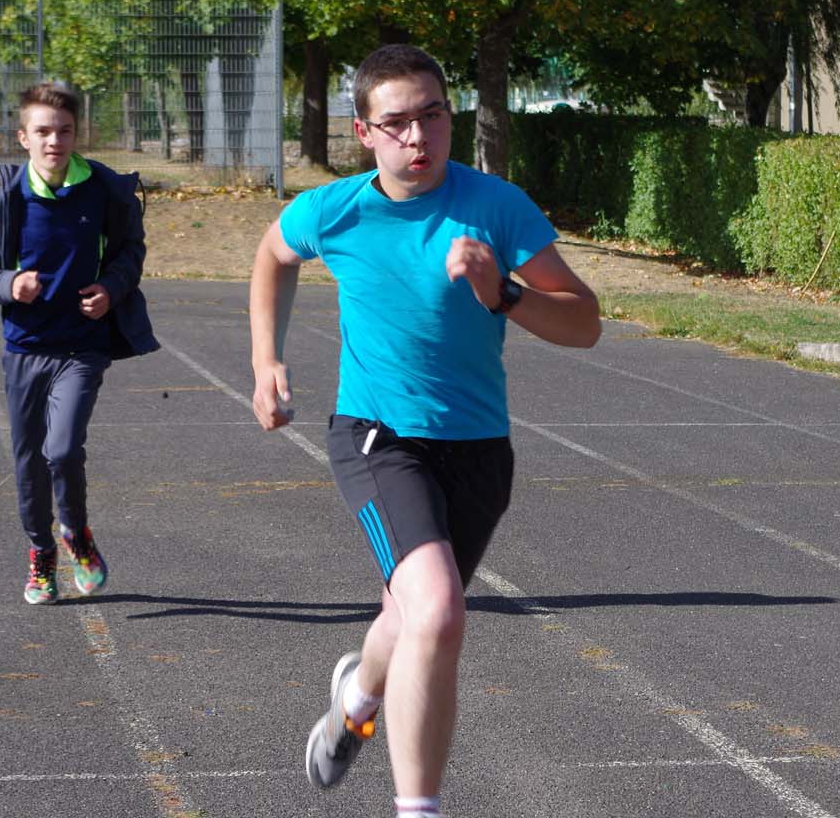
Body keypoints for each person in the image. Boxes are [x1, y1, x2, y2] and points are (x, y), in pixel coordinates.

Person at [248, 44, 601, 818]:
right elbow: (272, 256)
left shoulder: (498, 207)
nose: (418, 137)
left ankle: (355, 699)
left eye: (432, 116)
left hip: (477, 447)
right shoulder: (332, 210)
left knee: (406, 618)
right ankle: (419, 810)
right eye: (397, 123)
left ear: (451, 118)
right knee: (437, 609)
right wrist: (265, 360)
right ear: (363, 132)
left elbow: (584, 325)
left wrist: (502, 291)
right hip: (377, 435)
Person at [0, 81, 159, 605]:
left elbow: (130, 252)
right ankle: (40, 554)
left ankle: (76, 533)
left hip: (82, 348)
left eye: (64, 131)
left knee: (63, 449)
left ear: (77, 134)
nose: (55, 141)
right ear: (23, 137)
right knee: (29, 460)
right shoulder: (4, 203)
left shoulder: (103, 191)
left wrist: (111, 289)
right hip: (25, 349)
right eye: (43, 131)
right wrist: (9, 285)